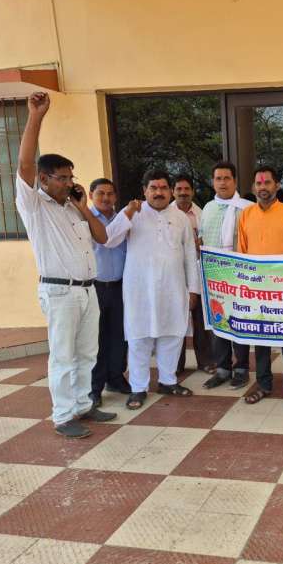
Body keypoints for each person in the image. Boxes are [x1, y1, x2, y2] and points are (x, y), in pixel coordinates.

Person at [15, 91, 116, 438]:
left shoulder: (73, 207)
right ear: (44, 179)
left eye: (71, 177)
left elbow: (102, 237)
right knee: (63, 356)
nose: (69, 182)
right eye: (62, 178)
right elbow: (25, 165)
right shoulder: (34, 205)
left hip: (87, 291)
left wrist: (83, 206)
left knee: (87, 353)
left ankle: (83, 405)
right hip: (59, 292)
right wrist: (36, 116)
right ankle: (62, 415)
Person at [105, 169, 200, 410]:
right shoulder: (132, 213)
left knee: (172, 335)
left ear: (170, 191)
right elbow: (110, 240)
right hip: (140, 290)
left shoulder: (181, 218)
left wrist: (193, 290)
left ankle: (168, 381)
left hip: (173, 288)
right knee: (139, 338)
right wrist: (127, 213)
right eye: (153, 188)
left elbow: (190, 255)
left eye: (163, 188)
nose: (159, 192)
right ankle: (138, 388)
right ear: (144, 190)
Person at [238, 166, 283, 406]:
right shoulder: (245, 215)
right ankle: (263, 384)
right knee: (261, 336)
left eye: (267, 183)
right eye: (258, 183)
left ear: (276, 185)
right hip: (257, 288)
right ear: (254, 187)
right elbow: (242, 252)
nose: (262, 187)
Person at [199, 161, 253, 389]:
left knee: (239, 320)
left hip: (239, 275)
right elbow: (202, 239)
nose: (222, 183)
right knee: (218, 320)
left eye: (227, 178)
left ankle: (241, 368)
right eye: (218, 178)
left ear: (235, 181)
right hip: (214, 276)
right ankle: (222, 369)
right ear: (213, 182)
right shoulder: (207, 208)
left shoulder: (248, 208)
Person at [88, 178, 131, 408]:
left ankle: (115, 377)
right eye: (100, 193)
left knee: (118, 335)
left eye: (110, 194)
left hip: (119, 287)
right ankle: (94, 388)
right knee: (96, 339)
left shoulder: (122, 219)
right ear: (91, 195)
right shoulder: (84, 218)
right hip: (95, 287)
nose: (106, 198)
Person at [173, 174, 215, 375]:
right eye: (179, 189)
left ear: (192, 191)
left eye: (186, 189)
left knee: (200, 319)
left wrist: (202, 244)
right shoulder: (166, 214)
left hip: (197, 272)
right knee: (175, 320)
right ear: (173, 192)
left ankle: (205, 361)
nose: (183, 193)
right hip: (173, 274)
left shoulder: (201, 213)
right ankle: (176, 364)